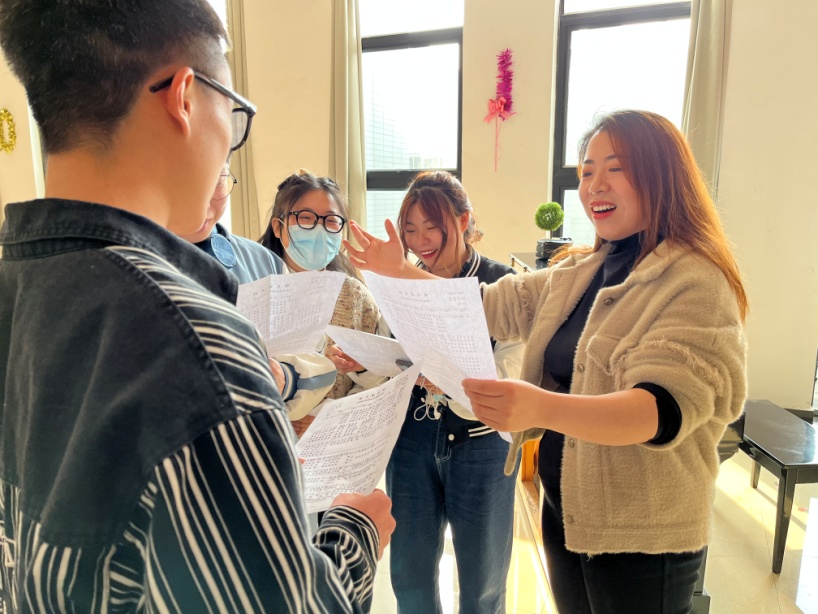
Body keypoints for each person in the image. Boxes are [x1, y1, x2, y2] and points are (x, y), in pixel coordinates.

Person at [0, 1, 394, 612]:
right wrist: (355, 532)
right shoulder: (197, 344)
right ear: (185, 97)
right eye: (234, 114)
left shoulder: (18, 288)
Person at [344, 111, 748, 613]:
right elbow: (486, 305)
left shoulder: (695, 279)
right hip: (569, 513)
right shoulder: (580, 270)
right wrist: (401, 272)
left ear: (663, 174)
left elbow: (660, 409)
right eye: (586, 171)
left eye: (615, 168)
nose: (595, 185)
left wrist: (539, 407)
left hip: (643, 532)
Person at [343, 171, 524, 613]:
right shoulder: (398, 285)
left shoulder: (502, 286)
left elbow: (512, 374)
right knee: (410, 576)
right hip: (411, 444)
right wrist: (363, 362)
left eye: (432, 227)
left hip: (481, 446)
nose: (420, 241)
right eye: (410, 229)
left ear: (462, 221)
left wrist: (451, 379)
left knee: (483, 583)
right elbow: (391, 365)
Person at [180, 164, 338, 434]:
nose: (203, 199)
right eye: (306, 219)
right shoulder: (129, 262)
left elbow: (314, 359)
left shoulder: (264, 262)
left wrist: (284, 378)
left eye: (217, 180)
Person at [260, 170, 381, 414]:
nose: (319, 228)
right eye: (305, 218)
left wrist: (359, 368)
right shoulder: (257, 289)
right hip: (271, 430)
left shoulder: (355, 296)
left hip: (340, 431)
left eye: (331, 220)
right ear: (278, 226)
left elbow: (377, 381)